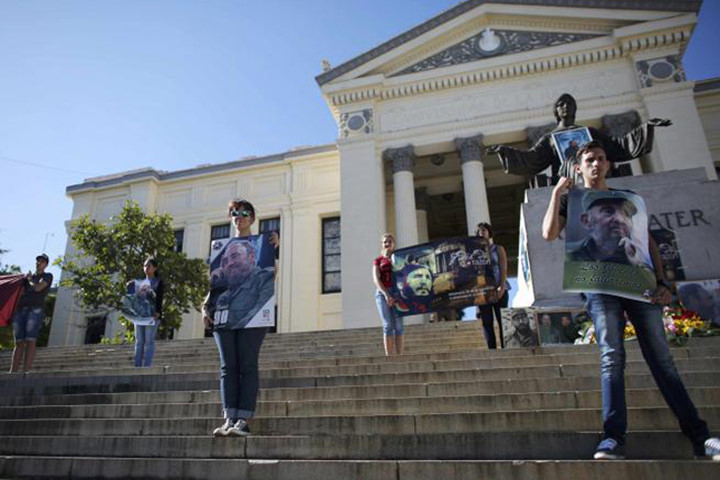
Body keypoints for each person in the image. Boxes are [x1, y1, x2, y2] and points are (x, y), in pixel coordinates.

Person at [542, 139, 720, 460]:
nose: (596, 164)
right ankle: (613, 438)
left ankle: (700, 437)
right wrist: (556, 193)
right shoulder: (575, 201)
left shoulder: (628, 199)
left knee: (662, 360)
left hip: (641, 287)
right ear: (579, 168)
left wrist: (664, 280)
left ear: (608, 165)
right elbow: (548, 233)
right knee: (612, 357)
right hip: (599, 287)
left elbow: (649, 242)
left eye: (600, 159)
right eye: (589, 160)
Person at [203, 198, 279, 438]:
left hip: (252, 321)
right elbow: (214, 285)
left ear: (253, 218)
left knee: (247, 365)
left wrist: (273, 249)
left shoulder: (263, 250)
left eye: (245, 212)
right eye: (235, 212)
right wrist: (205, 307)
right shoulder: (220, 248)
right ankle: (229, 418)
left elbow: (271, 276)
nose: (240, 216)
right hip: (222, 316)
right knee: (228, 367)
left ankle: (242, 420)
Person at [488, 93, 671, 185]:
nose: (566, 107)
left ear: (575, 108)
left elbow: (616, 147)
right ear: (556, 111)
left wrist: (647, 127)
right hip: (568, 183)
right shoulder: (551, 138)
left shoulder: (589, 132)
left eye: (569, 104)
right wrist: (505, 151)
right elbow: (534, 158)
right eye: (561, 105)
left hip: (594, 181)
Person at [567, 190, 647, 267]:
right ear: (586, 221)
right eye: (608, 211)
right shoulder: (568, 255)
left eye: (626, 214)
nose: (620, 219)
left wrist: (637, 264)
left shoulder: (640, 257)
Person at [9, 254, 53, 373]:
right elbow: (20, 293)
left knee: (30, 340)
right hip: (20, 310)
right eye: (38, 261)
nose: (39, 263)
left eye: (42, 261)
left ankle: (26, 372)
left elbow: (38, 288)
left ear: (46, 264)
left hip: (35, 309)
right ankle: (13, 372)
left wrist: (29, 280)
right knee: (18, 342)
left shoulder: (47, 276)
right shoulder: (27, 279)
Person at [475, 222, 509, 349]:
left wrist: (502, 286)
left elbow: (503, 268)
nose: (481, 233)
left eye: (483, 230)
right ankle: (492, 349)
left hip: (499, 288)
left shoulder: (498, 248)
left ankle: (506, 347)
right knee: (487, 322)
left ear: (489, 232)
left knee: (502, 321)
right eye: (479, 232)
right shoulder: (475, 253)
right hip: (483, 292)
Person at [372, 233, 404, 356]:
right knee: (388, 325)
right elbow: (376, 279)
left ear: (393, 244)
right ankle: (389, 356)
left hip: (397, 293)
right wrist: (386, 294)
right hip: (382, 293)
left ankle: (400, 355)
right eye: (385, 241)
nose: (387, 243)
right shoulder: (378, 260)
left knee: (399, 325)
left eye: (389, 241)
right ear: (382, 244)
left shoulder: (399, 258)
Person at [128, 258, 164, 368]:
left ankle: (147, 365)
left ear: (155, 268)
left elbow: (160, 298)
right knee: (139, 341)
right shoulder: (138, 282)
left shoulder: (158, 282)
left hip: (152, 315)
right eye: (145, 266)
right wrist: (130, 286)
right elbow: (132, 297)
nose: (146, 268)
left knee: (149, 341)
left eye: (149, 266)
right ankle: (137, 365)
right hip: (139, 316)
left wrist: (158, 312)